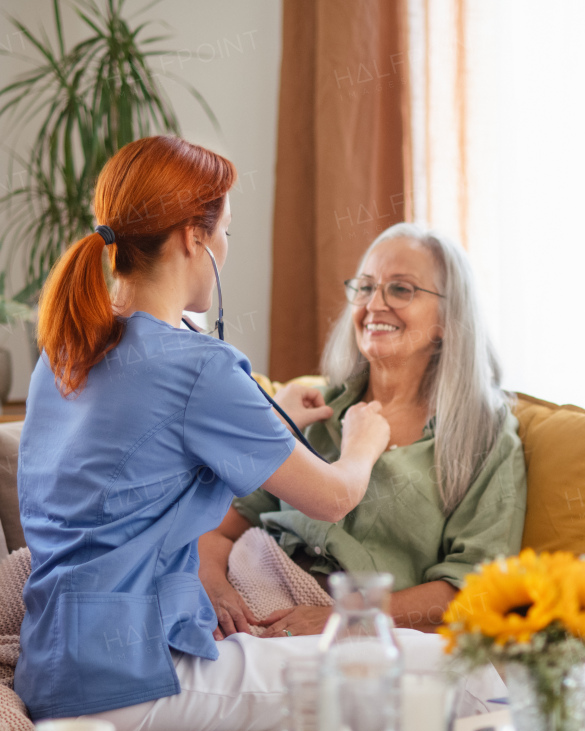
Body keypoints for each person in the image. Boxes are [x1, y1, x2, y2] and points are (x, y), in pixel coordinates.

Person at [13, 137, 502, 731]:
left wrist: (269, 415)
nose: (224, 247)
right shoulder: (199, 368)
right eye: (223, 233)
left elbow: (148, 451)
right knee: (460, 669)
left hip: (51, 669)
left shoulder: (64, 351)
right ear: (195, 239)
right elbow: (332, 498)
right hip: (135, 678)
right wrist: (362, 443)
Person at [198, 223, 527, 639]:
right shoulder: (314, 412)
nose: (375, 304)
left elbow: (477, 587)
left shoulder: (486, 436)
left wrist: (346, 614)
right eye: (366, 287)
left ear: (447, 318)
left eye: (401, 289)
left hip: (360, 631)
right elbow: (219, 526)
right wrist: (215, 589)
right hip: (249, 591)